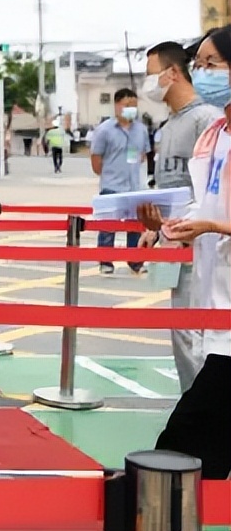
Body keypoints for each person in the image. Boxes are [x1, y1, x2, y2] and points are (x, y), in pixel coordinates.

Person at [145, 26, 231, 479]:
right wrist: (170, 227)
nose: (203, 73)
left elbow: (215, 215)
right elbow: (203, 201)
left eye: (212, 63)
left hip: (226, 325)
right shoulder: (214, 135)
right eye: (200, 64)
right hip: (212, 304)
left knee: (182, 455)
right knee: (201, 453)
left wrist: (214, 225)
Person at [135, 41, 222, 394]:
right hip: (176, 238)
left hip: (205, 244)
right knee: (183, 333)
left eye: (150, 75)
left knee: (200, 336)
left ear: (172, 73)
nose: (148, 84)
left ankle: (203, 413)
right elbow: (171, 185)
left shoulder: (208, 119)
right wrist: (154, 229)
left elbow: (209, 190)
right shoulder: (169, 125)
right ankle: (194, 406)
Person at [90, 88, 150, 274]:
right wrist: (109, 175)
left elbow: (142, 154)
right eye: (127, 105)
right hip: (111, 185)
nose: (131, 109)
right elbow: (96, 159)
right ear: (117, 106)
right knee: (109, 225)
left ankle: (135, 260)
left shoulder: (141, 129)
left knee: (134, 225)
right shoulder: (104, 130)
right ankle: (106, 261)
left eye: (134, 106)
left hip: (133, 186)